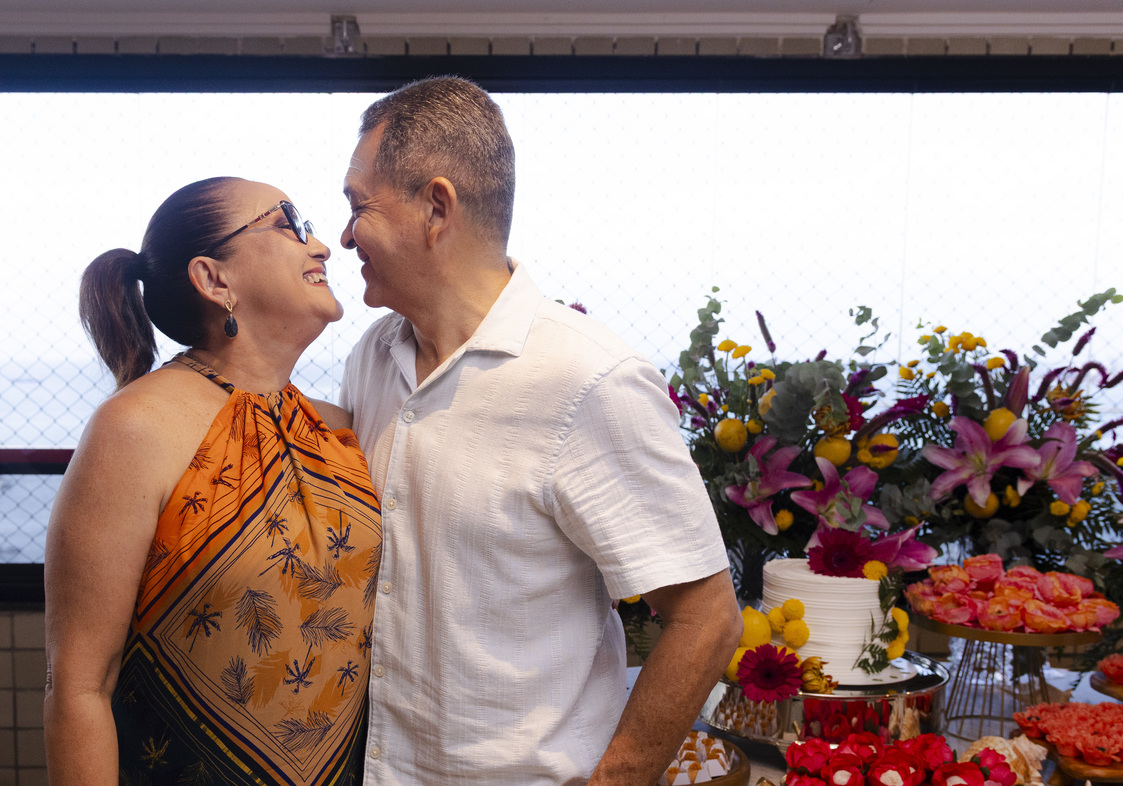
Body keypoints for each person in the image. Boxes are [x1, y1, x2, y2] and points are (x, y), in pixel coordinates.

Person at [338, 76, 743, 785]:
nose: (343, 236)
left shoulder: (589, 379)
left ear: (436, 207)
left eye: (358, 206)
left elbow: (708, 619)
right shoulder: (373, 357)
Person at [44, 177, 380, 786]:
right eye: (287, 223)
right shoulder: (134, 429)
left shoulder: (336, 428)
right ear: (214, 279)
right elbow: (79, 686)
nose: (321, 245)